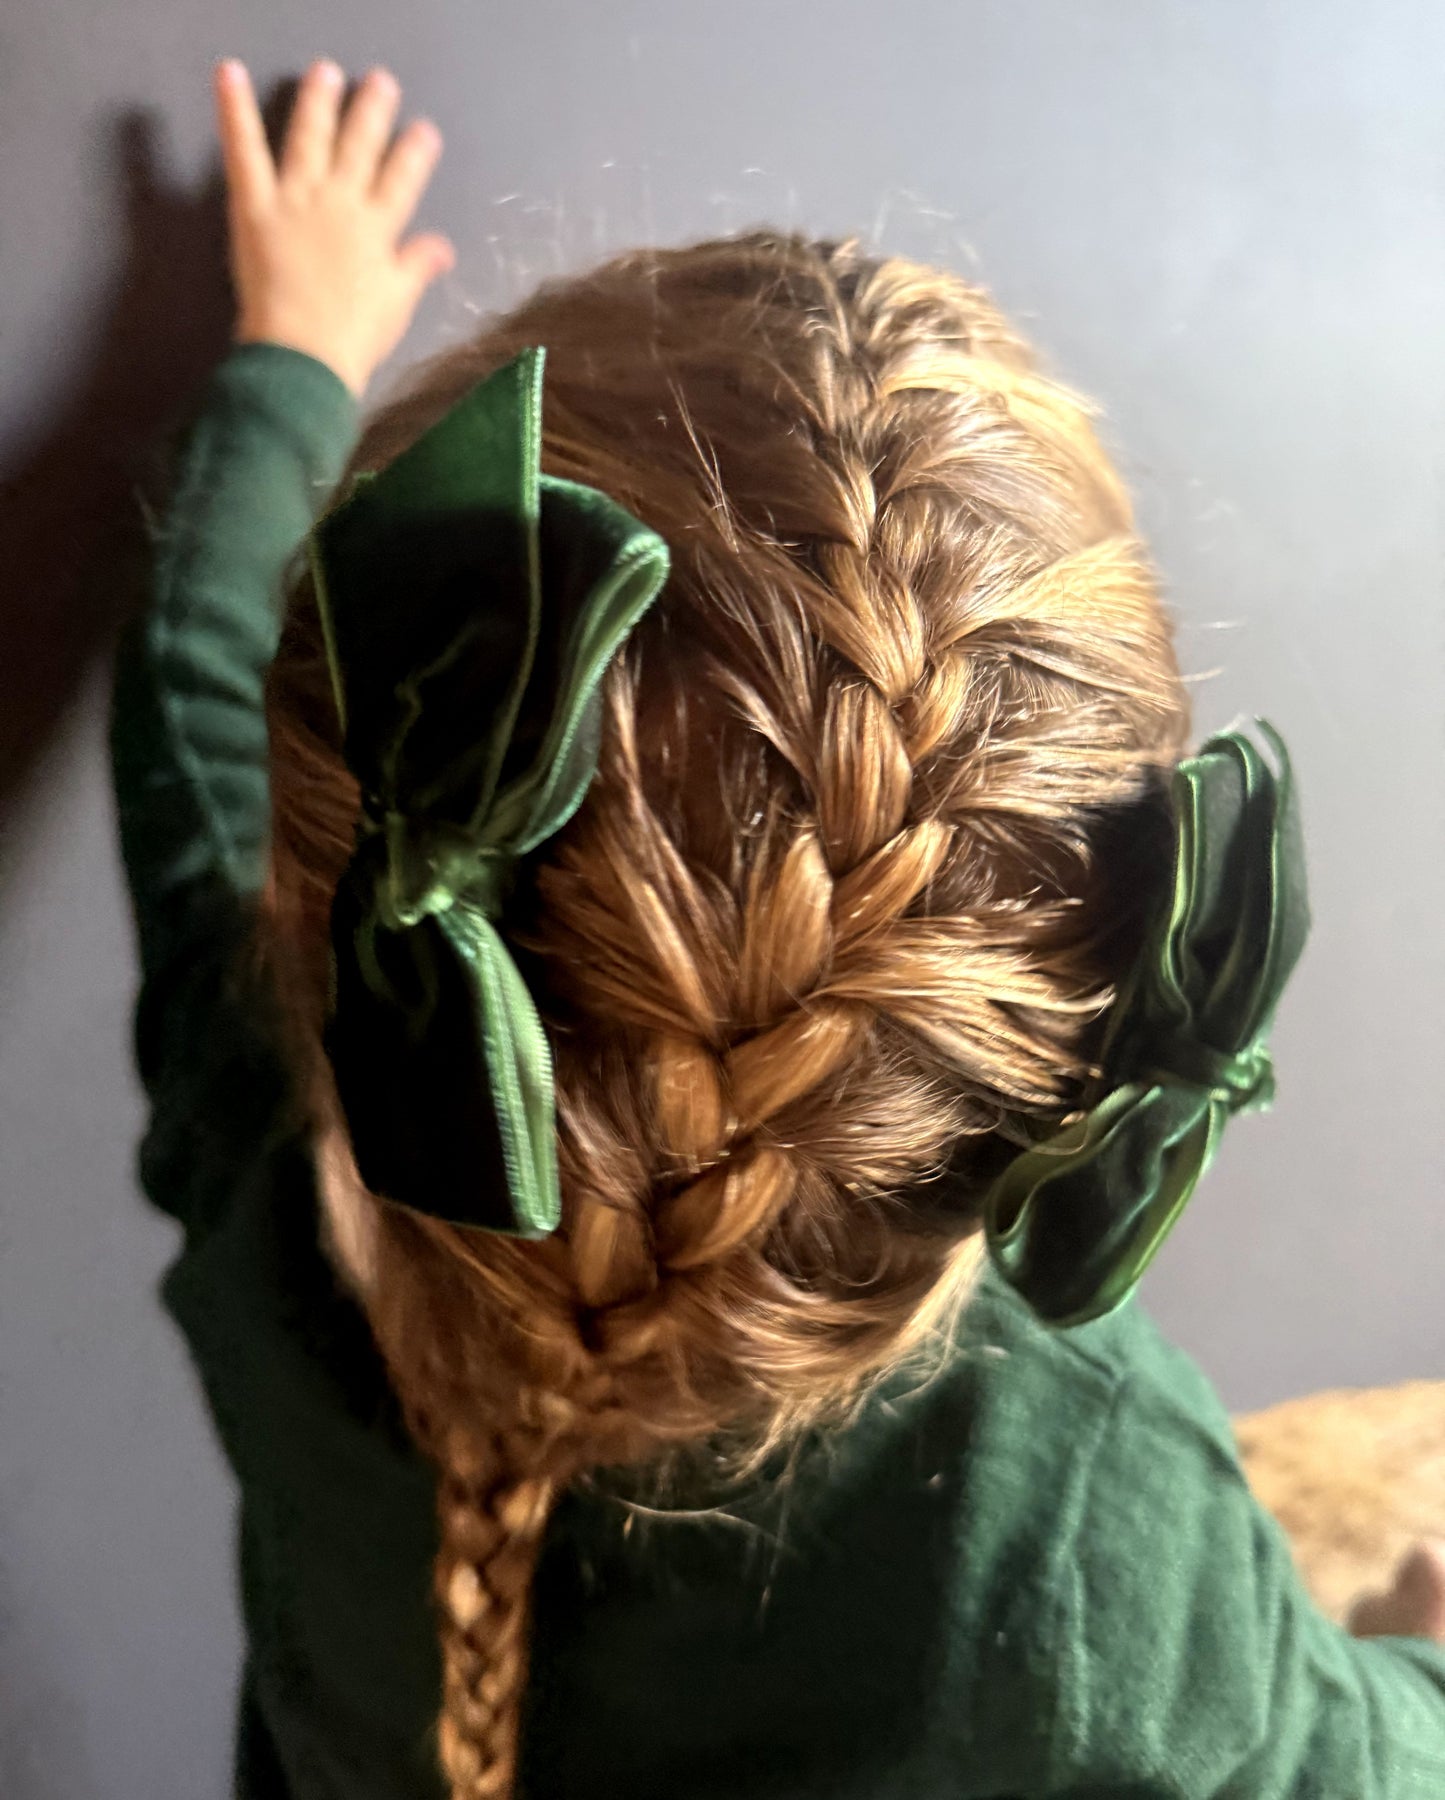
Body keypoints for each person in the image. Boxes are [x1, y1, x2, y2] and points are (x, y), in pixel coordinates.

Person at [108, 53, 1445, 1800]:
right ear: (1074, 1023)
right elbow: (1359, 1767)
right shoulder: (1080, 1547)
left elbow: (184, 700)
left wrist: (288, 358)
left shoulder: (264, 1146)